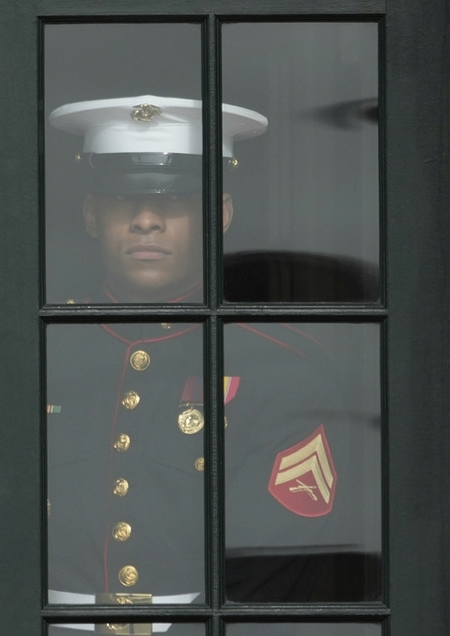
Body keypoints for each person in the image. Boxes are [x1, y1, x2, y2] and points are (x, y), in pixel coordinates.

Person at [43, 97, 379, 635]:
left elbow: (274, 566)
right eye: (122, 200)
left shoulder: (280, 369)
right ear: (90, 215)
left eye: (175, 200)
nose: (146, 221)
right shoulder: (39, 351)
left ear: (219, 215)